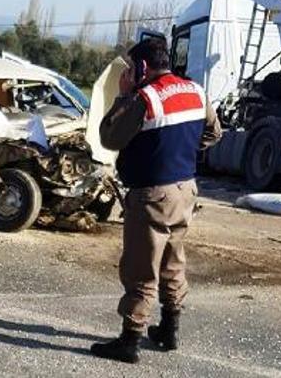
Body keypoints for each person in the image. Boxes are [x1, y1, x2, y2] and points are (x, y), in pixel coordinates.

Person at [91, 38, 222, 363]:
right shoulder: (195, 91)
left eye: (131, 68)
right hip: (185, 191)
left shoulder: (144, 99)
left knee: (141, 268)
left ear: (142, 68)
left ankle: (130, 339)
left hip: (152, 195)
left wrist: (122, 96)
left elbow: (109, 138)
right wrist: (183, 150)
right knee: (172, 262)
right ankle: (169, 328)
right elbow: (214, 132)